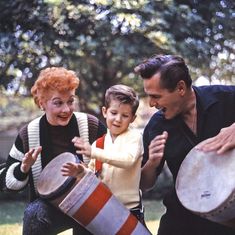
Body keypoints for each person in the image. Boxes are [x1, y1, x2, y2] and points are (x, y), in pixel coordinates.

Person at [134, 54, 235, 235]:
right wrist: (151, 164)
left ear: (180, 88)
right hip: (183, 217)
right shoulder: (156, 126)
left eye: (156, 96)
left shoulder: (226, 98)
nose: (151, 104)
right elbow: (144, 184)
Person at [0, 67, 106, 235]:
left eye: (70, 101)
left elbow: (113, 158)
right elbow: (7, 182)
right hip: (49, 206)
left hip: (88, 200)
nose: (66, 109)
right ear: (42, 103)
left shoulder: (90, 125)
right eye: (58, 103)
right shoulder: (28, 134)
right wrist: (23, 168)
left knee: (89, 219)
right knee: (34, 214)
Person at [61, 84, 147, 225]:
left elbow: (128, 161)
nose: (118, 119)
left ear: (132, 118)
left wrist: (94, 152)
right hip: (105, 209)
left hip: (130, 211)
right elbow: (95, 175)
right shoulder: (98, 144)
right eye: (114, 113)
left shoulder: (134, 137)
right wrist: (81, 171)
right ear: (105, 111)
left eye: (125, 115)